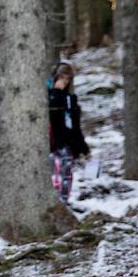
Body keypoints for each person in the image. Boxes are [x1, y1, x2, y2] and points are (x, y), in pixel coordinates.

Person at [48, 62, 90, 204]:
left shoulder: (71, 99)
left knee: (67, 173)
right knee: (54, 173)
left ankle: (63, 202)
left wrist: (83, 147)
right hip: (51, 143)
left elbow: (75, 125)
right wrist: (55, 92)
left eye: (67, 78)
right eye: (62, 77)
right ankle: (53, 202)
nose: (64, 81)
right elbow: (51, 113)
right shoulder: (47, 94)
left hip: (67, 142)